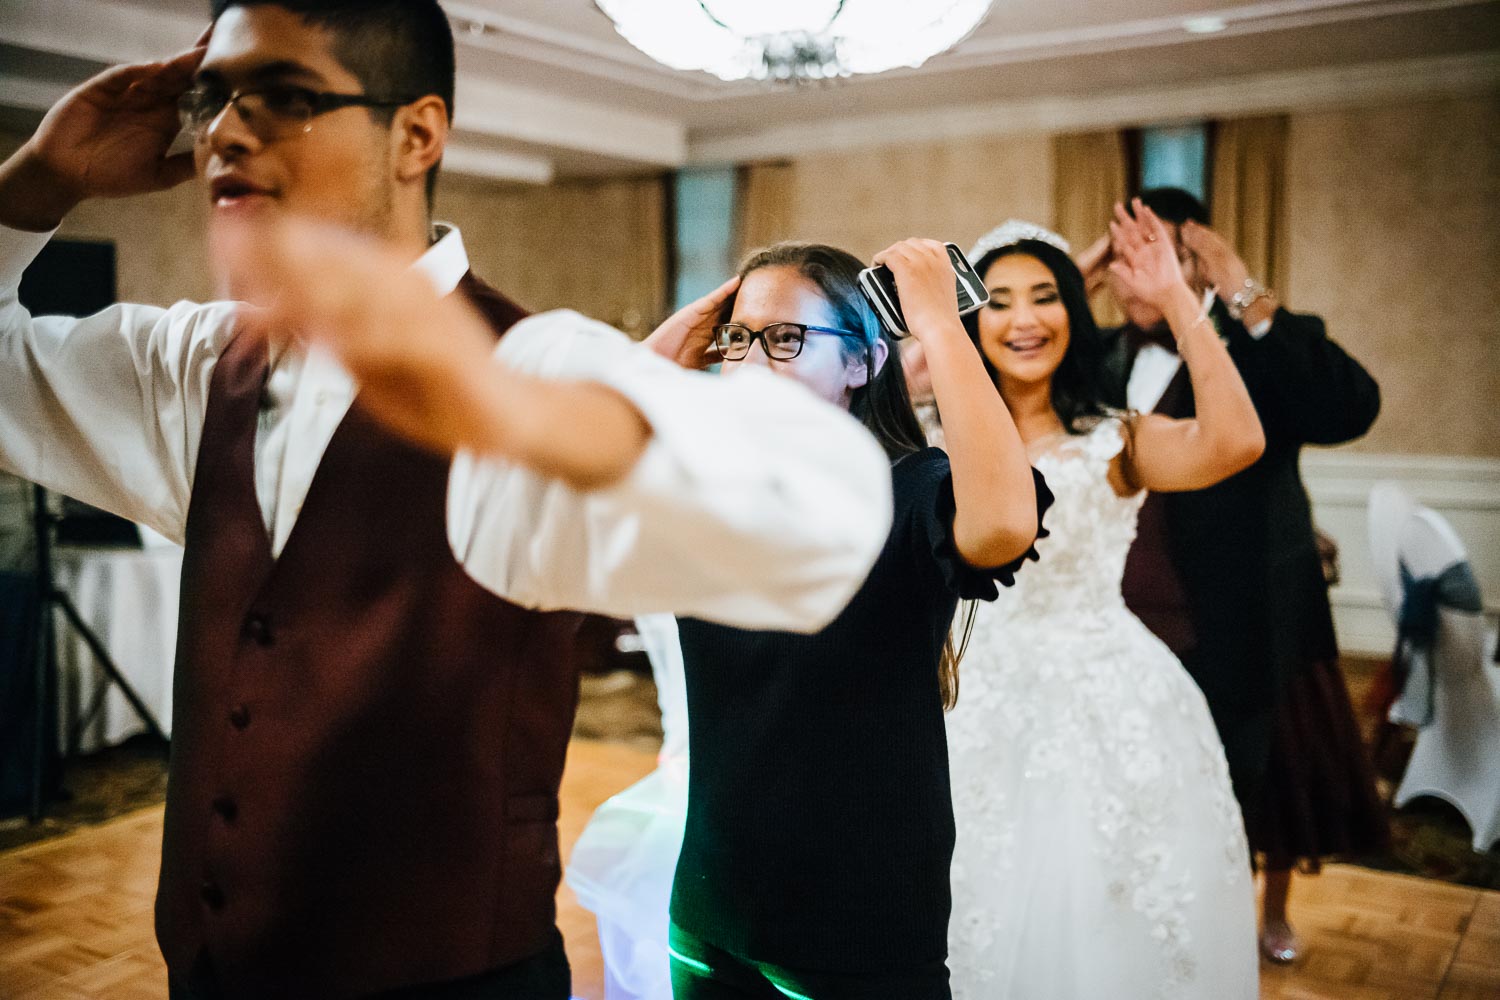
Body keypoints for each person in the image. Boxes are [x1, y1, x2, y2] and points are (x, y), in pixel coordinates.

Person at [0, 2, 896, 996]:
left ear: (415, 133)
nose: (227, 132)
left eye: (285, 98)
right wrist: (37, 184)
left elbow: (830, 512)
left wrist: (507, 405)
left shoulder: (535, 365)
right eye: (211, 98)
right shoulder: (198, 365)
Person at [618, 239, 1047, 999]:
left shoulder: (912, 490)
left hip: (856, 925)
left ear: (862, 362)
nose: (753, 360)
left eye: (787, 338)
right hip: (711, 910)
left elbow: (1006, 523)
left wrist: (940, 327)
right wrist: (683, 340)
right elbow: (575, 465)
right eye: (740, 339)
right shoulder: (708, 485)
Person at [944, 209, 1264, 999]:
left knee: (1101, 909)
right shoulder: (935, 440)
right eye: (1001, 300)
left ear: (1076, 313)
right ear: (971, 322)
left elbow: (1237, 440)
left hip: (1109, 699)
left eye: (1046, 296)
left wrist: (1175, 297)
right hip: (965, 706)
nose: (1024, 319)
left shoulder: (1116, 439)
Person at [1083, 187, 1385, 963]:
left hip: (1246, 611)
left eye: (1167, 253)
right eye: (1126, 252)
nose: (1143, 270)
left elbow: (1349, 407)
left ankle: (1257, 914)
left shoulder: (1260, 344)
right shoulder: (1099, 355)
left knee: (1261, 782)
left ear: (1201, 263)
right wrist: (1072, 273)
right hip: (1125, 614)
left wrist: (1245, 292)